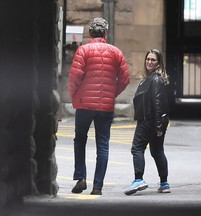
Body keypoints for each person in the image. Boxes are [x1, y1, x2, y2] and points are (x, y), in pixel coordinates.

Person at [69, 17, 130, 195]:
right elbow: (125, 79)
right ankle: (97, 187)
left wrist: (75, 95)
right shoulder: (116, 52)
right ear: (105, 32)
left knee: (80, 140)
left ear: (90, 33)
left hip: (84, 105)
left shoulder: (83, 50)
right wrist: (112, 93)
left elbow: (75, 77)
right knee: (102, 144)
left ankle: (80, 178)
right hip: (105, 107)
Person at [124, 49, 170, 195]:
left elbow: (157, 103)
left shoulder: (155, 79)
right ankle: (164, 183)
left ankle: (138, 179)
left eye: (153, 60)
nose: (149, 62)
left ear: (159, 63)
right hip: (155, 121)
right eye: (148, 59)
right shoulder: (150, 78)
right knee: (157, 151)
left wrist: (158, 126)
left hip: (148, 121)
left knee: (137, 148)